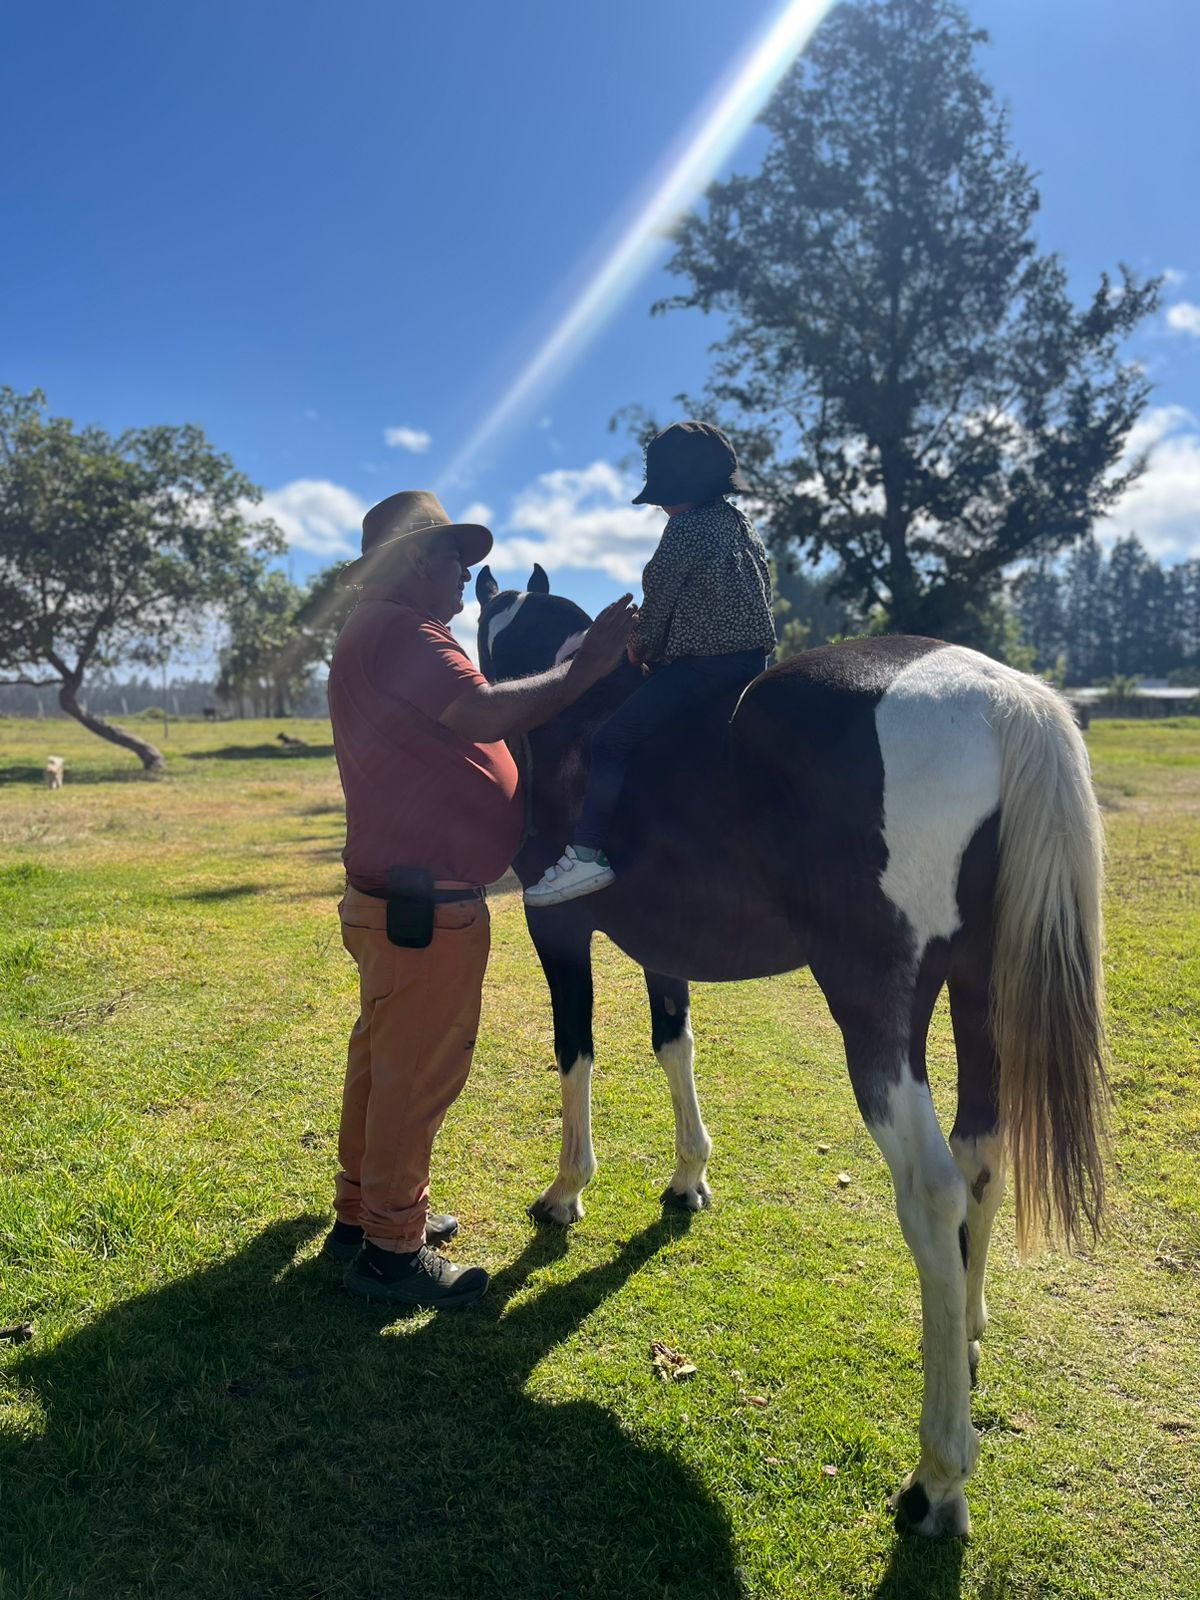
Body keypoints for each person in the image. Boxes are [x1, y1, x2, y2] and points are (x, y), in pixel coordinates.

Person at [326, 490, 635, 1307]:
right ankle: (391, 1253)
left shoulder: (377, 629)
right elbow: (484, 711)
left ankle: (363, 1215)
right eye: (449, 555)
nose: (465, 573)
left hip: (397, 896)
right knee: (415, 1076)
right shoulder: (405, 632)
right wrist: (586, 668)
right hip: (424, 905)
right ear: (408, 562)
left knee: (383, 1062)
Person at [524, 422, 776, 907]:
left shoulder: (683, 530)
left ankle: (587, 854)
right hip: (752, 661)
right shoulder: (739, 524)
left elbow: (658, 602)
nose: (660, 505)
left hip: (701, 667)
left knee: (610, 740)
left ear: (677, 488)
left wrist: (638, 645)